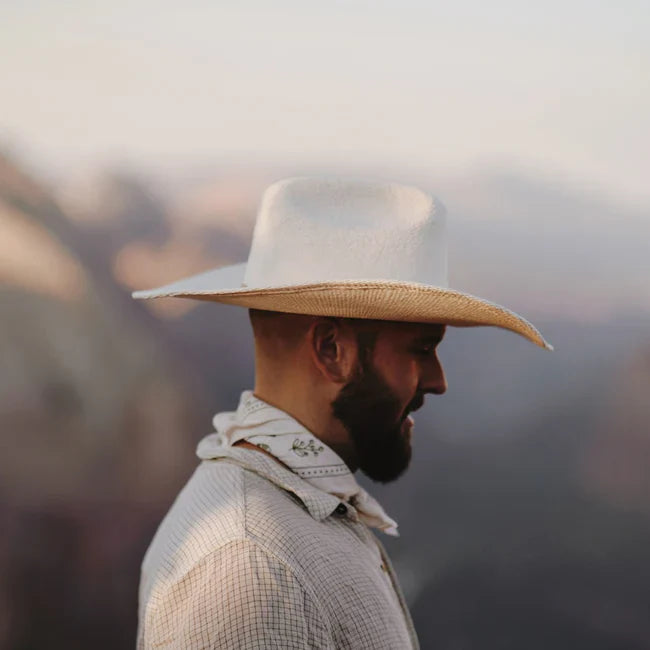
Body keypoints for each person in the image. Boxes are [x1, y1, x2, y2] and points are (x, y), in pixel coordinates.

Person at [131, 176, 552, 649]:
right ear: (332, 350)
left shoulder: (289, 526)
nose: (438, 380)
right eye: (421, 349)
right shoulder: (251, 568)